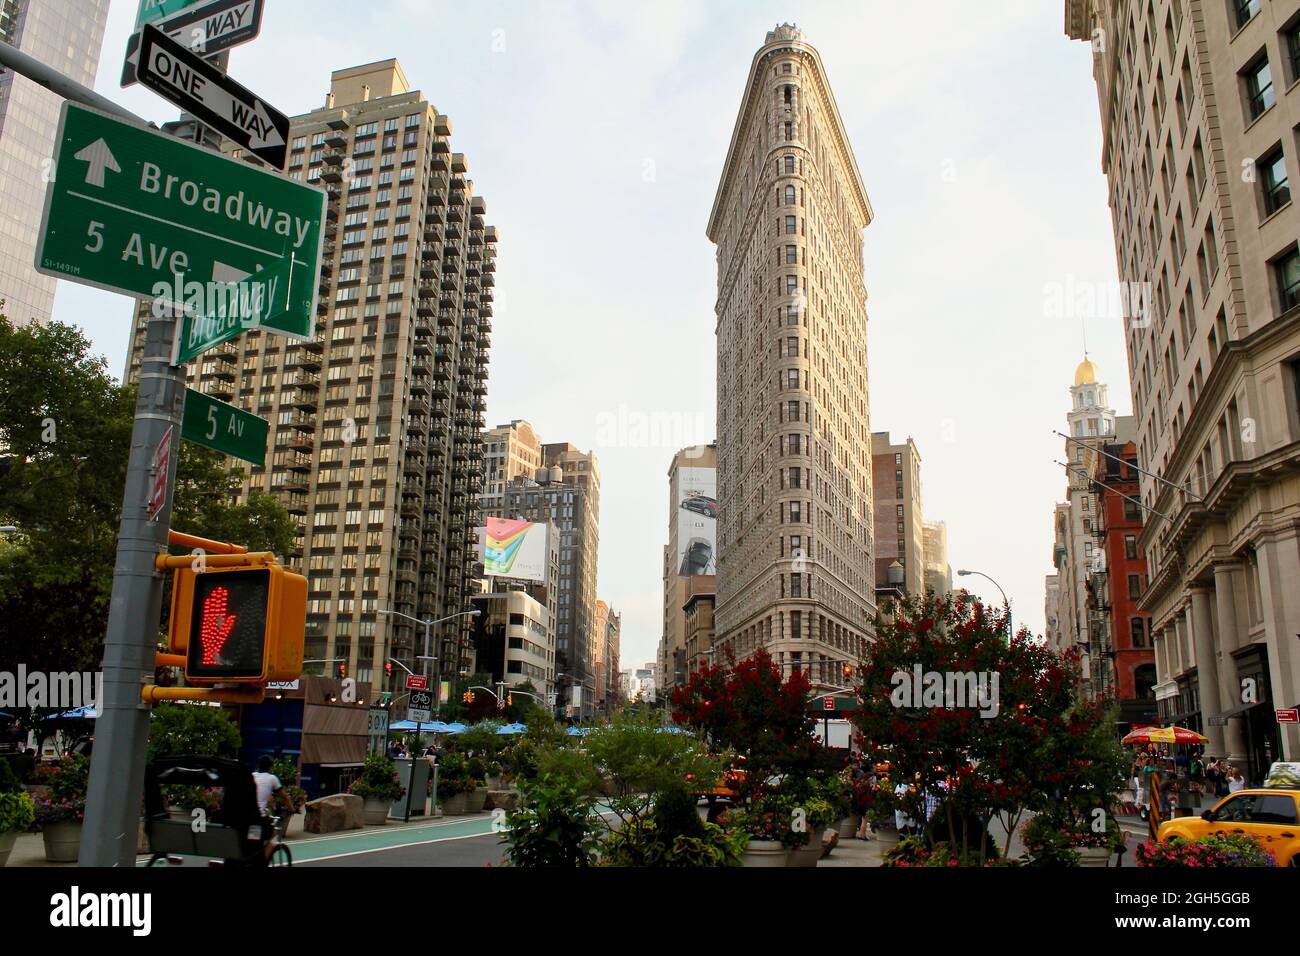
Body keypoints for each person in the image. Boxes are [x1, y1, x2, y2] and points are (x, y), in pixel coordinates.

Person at [252, 755, 295, 863]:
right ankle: (261, 863)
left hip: (244, 817)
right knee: (272, 834)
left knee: (251, 840)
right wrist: (291, 809)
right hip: (258, 818)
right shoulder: (272, 778)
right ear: (270, 767)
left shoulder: (252, 776)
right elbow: (284, 797)